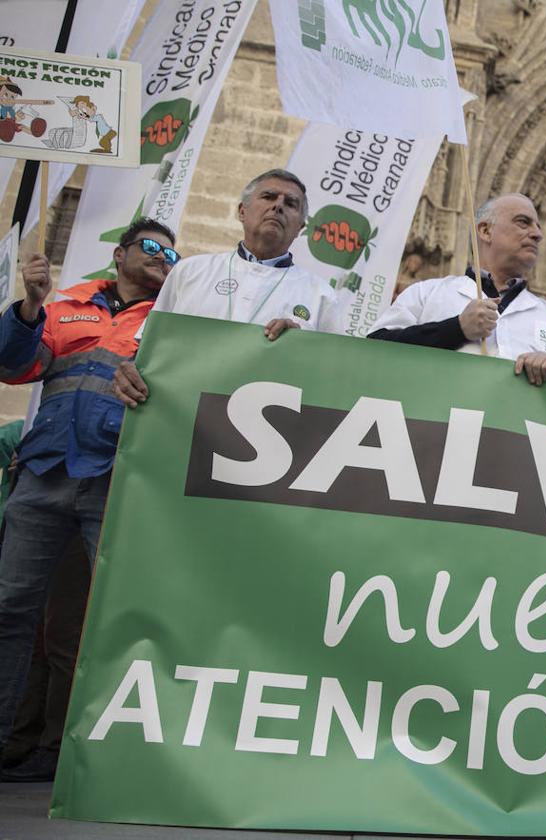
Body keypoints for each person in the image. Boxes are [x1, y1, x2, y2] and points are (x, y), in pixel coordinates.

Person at [0, 218, 177, 763]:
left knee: (121, 616)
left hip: (118, 480)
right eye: (151, 248)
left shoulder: (178, 319)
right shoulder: (68, 306)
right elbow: (15, 365)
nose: (163, 258)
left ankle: (100, 758)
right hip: (45, 474)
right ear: (120, 255)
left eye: (171, 254)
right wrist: (29, 307)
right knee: (9, 608)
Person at [113, 169, 342, 408]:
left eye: (291, 203)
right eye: (269, 197)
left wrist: (302, 347)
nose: (278, 206)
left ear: (300, 228)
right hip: (179, 414)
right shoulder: (189, 271)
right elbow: (149, 348)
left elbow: (333, 376)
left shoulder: (321, 295)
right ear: (242, 211)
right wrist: (129, 373)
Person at [369, 193, 546, 384]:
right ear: (485, 231)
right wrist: (456, 329)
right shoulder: (427, 293)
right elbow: (374, 351)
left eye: (538, 226)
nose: (537, 234)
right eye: (523, 222)